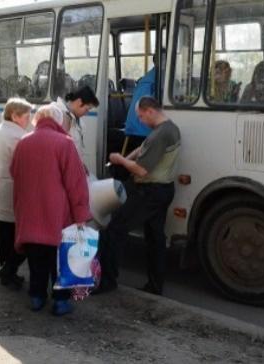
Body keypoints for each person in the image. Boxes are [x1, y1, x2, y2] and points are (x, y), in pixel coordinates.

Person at [95, 96, 181, 296]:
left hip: (148, 191)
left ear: (150, 111)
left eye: (141, 116)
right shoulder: (168, 129)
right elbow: (143, 148)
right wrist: (126, 158)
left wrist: (119, 160)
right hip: (163, 190)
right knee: (155, 238)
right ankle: (155, 285)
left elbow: (142, 170)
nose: (141, 121)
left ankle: (107, 281)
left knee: (115, 229)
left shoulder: (161, 134)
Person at [10, 105, 90, 316]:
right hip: (57, 215)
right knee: (59, 261)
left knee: (36, 259)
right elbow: (76, 183)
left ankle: (36, 297)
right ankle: (60, 302)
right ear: (57, 120)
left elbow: (13, 172)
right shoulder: (64, 143)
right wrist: (81, 215)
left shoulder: (24, 142)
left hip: (29, 212)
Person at [0, 98, 33, 289]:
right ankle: (9, 270)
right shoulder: (19, 137)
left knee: (3, 236)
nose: (29, 120)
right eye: (26, 116)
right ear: (15, 115)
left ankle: (7, 272)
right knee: (21, 237)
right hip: (13, 190)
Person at [52, 86, 99, 168]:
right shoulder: (56, 113)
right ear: (79, 102)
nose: (86, 113)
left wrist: (81, 165)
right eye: (87, 109)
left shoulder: (77, 120)